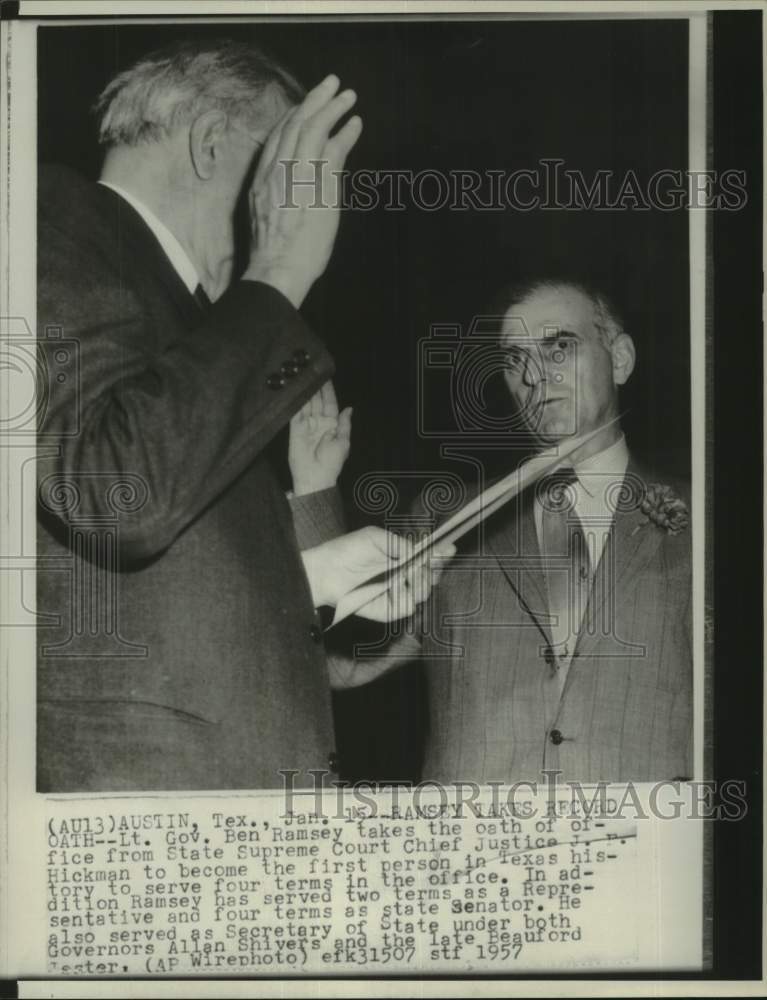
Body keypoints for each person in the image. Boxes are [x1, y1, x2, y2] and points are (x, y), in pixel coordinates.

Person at [35, 38, 444, 792]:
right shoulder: (49, 219)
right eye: (292, 162)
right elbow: (116, 495)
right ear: (211, 143)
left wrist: (312, 578)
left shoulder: (198, 328)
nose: (312, 201)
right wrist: (280, 271)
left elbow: (148, 582)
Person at [330, 278, 692, 785]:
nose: (533, 376)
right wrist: (313, 488)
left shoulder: (704, 517)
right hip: (473, 830)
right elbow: (340, 666)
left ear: (621, 359)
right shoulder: (443, 517)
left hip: (643, 827)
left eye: (559, 347)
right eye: (514, 359)